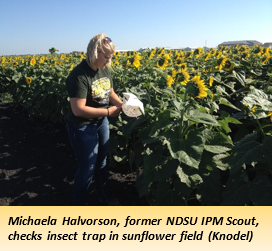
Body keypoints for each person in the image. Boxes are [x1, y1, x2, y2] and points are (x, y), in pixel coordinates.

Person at [65, 33, 123, 206]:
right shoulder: (79, 76)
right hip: (82, 128)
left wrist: (123, 106)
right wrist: (108, 112)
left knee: (101, 163)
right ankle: (79, 205)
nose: (109, 60)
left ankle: (104, 196)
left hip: (100, 123)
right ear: (95, 52)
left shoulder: (104, 69)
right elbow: (78, 110)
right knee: (87, 169)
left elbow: (110, 92)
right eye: (106, 56)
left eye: (111, 56)